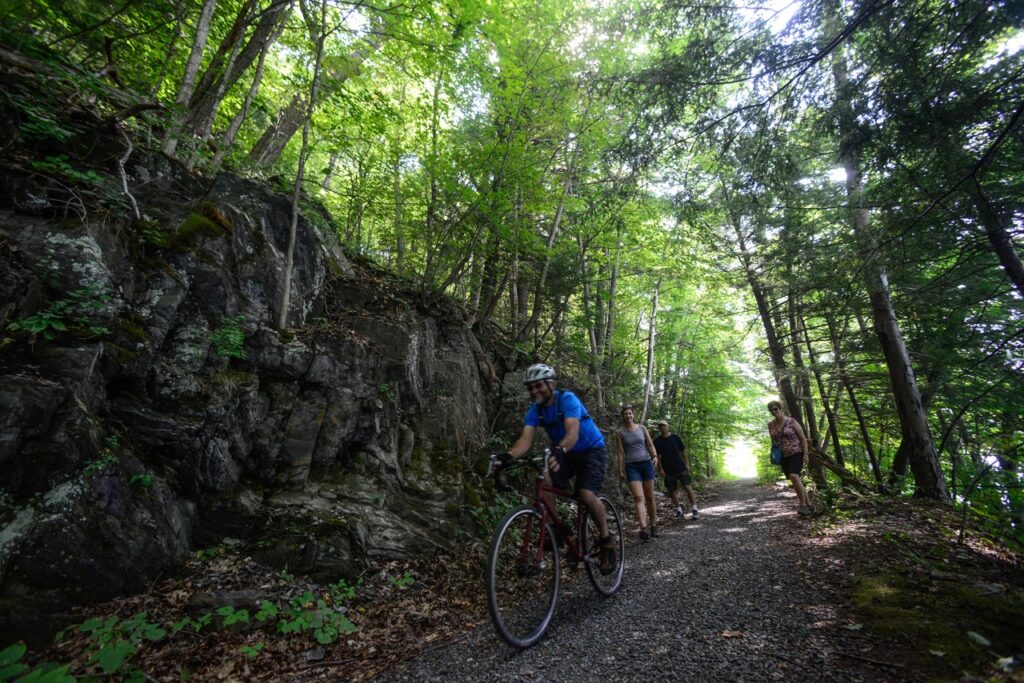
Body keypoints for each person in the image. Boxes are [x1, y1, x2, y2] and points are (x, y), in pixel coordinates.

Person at [495, 363, 616, 573]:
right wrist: (507, 456)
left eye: (539, 386)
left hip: (591, 451)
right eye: (530, 387)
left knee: (586, 495)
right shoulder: (536, 410)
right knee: (545, 478)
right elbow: (525, 440)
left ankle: (606, 541)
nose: (534, 391)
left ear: (552, 384)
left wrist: (559, 449)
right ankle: (555, 529)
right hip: (564, 451)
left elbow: (573, 431)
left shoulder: (567, 399)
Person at [615, 406, 659, 539]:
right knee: (638, 497)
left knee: (650, 497)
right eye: (625, 414)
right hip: (631, 466)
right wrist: (620, 469)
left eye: (630, 413)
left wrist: (655, 456)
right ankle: (643, 528)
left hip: (646, 463)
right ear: (622, 417)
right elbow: (620, 452)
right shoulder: (620, 432)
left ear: (633, 415)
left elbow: (650, 444)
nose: (628, 416)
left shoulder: (642, 428)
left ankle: (654, 525)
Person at [767, 400, 813, 515]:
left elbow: (803, 439)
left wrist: (806, 454)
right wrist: (774, 454)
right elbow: (774, 441)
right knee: (796, 479)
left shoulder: (791, 422)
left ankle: (802, 505)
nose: (774, 411)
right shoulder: (771, 425)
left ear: (780, 409)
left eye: (776, 409)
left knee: (794, 476)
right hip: (783, 456)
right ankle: (809, 505)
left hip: (796, 452)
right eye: (771, 410)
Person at [652, 420, 699, 520]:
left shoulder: (675, 438)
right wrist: (661, 469)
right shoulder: (657, 441)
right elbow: (658, 457)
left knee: (688, 488)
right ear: (659, 428)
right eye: (660, 426)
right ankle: (679, 510)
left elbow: (683, 451)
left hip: (681, 467)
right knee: (671, 491)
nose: (662, 428)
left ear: (667, 426)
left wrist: (687, 464)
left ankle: (694, 509)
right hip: (668, 470)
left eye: (664, 426)